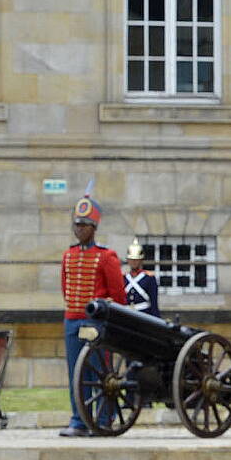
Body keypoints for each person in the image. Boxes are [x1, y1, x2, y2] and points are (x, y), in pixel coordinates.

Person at [59, 185, 123, 438]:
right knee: (76, 373)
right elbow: (65, 288)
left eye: (84, 225)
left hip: (96, 324)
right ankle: (79, 419)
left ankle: (104, 418)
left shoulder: (106, 256)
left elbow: (117, 294)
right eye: (76, 225)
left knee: (99, 373)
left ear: (94, 228)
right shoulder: (68, 256)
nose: (79, 230)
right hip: (73, 320)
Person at [123, 242, 160, 318]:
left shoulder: (149, 278)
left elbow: (154, 302)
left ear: (141, 260)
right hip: (126, 314)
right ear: (127, 260)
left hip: (144, 314)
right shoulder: (123, 277)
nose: (134, 262)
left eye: (136, 259)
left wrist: (156, 319)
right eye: (131, 259)